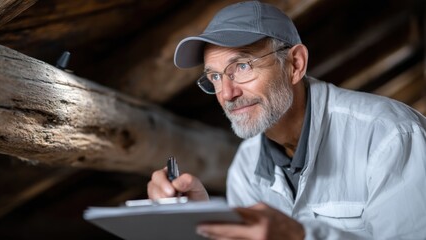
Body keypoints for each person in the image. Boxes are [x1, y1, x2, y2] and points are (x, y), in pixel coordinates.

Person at [147, 1, 426, 239]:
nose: (227, 94)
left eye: (242, 66)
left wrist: (298, 235)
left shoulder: (390, 136)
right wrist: (200, 222)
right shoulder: (245, 167)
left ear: (295, 65)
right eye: (215, 77)